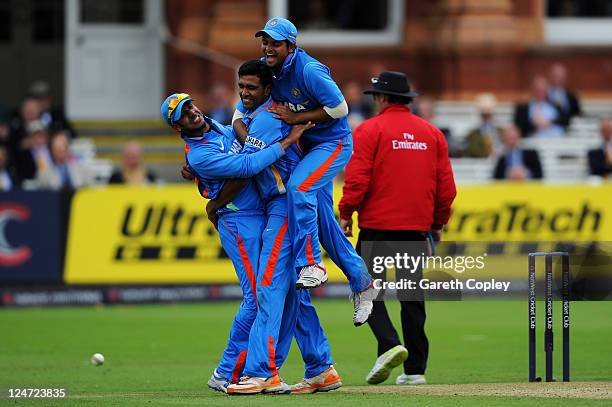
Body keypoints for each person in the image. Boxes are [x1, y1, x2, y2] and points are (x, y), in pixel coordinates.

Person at [161, 92, 308, 394]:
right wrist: (287, 141)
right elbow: (245, 170)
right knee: (256, 298)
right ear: (177, 128)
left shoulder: (219, 129)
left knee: (276, 291)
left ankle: (263, 370)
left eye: (191, 105)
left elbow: (243, 140)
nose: (192, 112)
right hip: (238, 220)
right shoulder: (199, 154)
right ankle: (226, 371)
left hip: (258, 216)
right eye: (184, 114)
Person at [234, 17, 377, 325]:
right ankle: (364, 284)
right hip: (305, 150)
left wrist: (297, 118)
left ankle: (312, 264)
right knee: (326, 227)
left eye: (275, 43)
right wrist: (248, 145)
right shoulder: (264, 68)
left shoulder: (309, 70)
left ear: (291, 45)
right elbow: (238, 115)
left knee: (299, 188)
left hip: (332, 144)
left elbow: (341, 109)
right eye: (265, 42)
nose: (268, 48)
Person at [221, 60, 341, 395]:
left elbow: (244, 165)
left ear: (268, 89)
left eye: (251, 88)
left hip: (283, 208)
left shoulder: (269, 119)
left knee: (269, 289)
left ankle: (263, 372)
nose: (244, 93)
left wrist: (215, 204)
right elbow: (241, 124)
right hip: (286, 205)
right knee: (289, 294)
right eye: (241, 87)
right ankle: (320, 367)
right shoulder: (263, 115)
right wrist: (238, 120)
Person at [338, 71, 457, 386]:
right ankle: (415, 370)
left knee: (366, 291)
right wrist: (437, 223)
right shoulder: (432, 134)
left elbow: (358, 178)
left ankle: (390, 345)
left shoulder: (369, 130)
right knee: (412, 298)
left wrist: (346, 211)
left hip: (377, 227)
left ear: (382, 98)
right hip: (416, 228)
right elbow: (446, 188)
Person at [463, 93, 502, 158]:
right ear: (480, 115)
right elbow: (473, 150)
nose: (486, 117)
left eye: (489, 114)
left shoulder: (501, 131)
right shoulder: (473, 134)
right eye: (484, 115)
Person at [548, 63, 581, 128]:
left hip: (570, 129)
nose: (558, 79)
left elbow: (577, 114)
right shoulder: (545, 95)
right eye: (555, 76)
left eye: (560, 77)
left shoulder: (572, 96)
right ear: (550, 77)